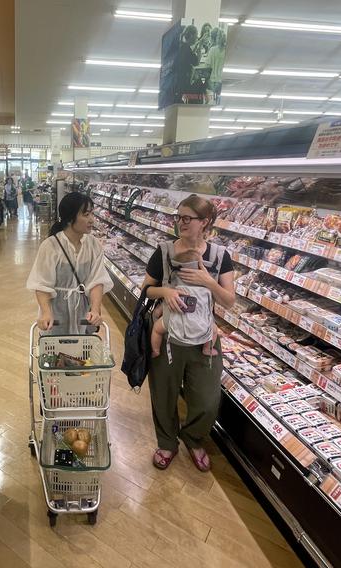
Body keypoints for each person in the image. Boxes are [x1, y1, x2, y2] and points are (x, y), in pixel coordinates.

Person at [143, 194, 235, 472]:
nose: (180, 223)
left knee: (207, 399)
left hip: (205, 338)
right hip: (170, 334)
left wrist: (209, 281)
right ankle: (167, 443)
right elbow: (146, 290)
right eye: (178, 217)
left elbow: (229, 301)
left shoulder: (220, 256)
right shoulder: (164, 251)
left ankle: (194, 438)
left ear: (205, 222)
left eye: (187, 218)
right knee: (163, 393)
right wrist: (166, 291)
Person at [26, 192, 112, 335]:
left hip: (83, 314)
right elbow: (41, 284)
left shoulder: (93, 245)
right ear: (69, 218)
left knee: (83, 354)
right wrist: (46, 313)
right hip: (56, 313)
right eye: (86, 215)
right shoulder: (50, 246)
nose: (92, 220)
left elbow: (97, 280)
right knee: (55, 354)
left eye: (92, 214)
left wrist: (95, 310)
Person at [149, 248, 218, 358]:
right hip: (201, 323)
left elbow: (166, 304)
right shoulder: (205, 289)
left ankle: (156, 350)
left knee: (157, 330)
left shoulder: (174, 288)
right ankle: (206, 349)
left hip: (173, 322)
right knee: (214, 330)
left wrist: (157, 312)